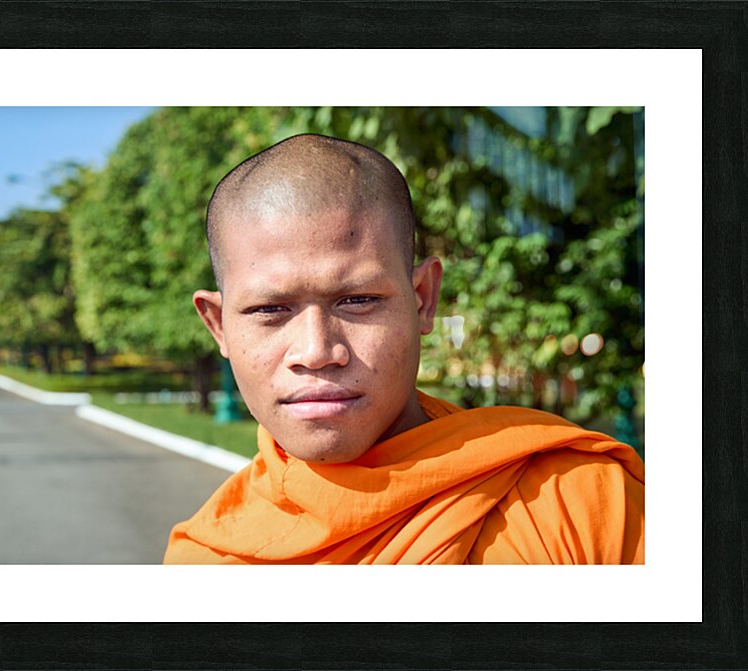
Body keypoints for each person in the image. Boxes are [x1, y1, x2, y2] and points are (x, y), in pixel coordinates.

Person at [163, 134, 644, 564]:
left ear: (422, 300)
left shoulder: (578, 499)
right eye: (270, 310)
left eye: (357, 301)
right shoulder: (208, 561)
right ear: (218, 325)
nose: (316, 351)